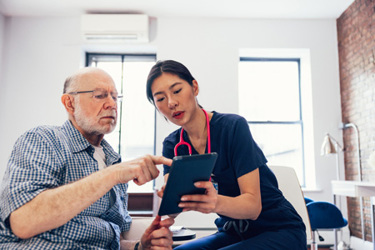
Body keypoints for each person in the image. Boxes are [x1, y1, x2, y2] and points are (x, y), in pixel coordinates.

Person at [0, 67, 175, 249]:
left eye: (115, 97)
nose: (112, 104)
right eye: (100, 96)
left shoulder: (113, 160)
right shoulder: (43, 139)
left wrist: (140, 246)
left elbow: (112, 239)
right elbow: (23, 222)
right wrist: (112, 175)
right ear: (69, 103)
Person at [146, 60, 306, 249]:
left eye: (177, 91)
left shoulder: (233, 127)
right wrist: (170, 200)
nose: (171, 103)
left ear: (194, 87)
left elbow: (253, 208)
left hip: (278, 229)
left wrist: (214, 203)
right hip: (233, 231)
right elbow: (173, 208)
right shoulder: (172, 145)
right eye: (161, 98)